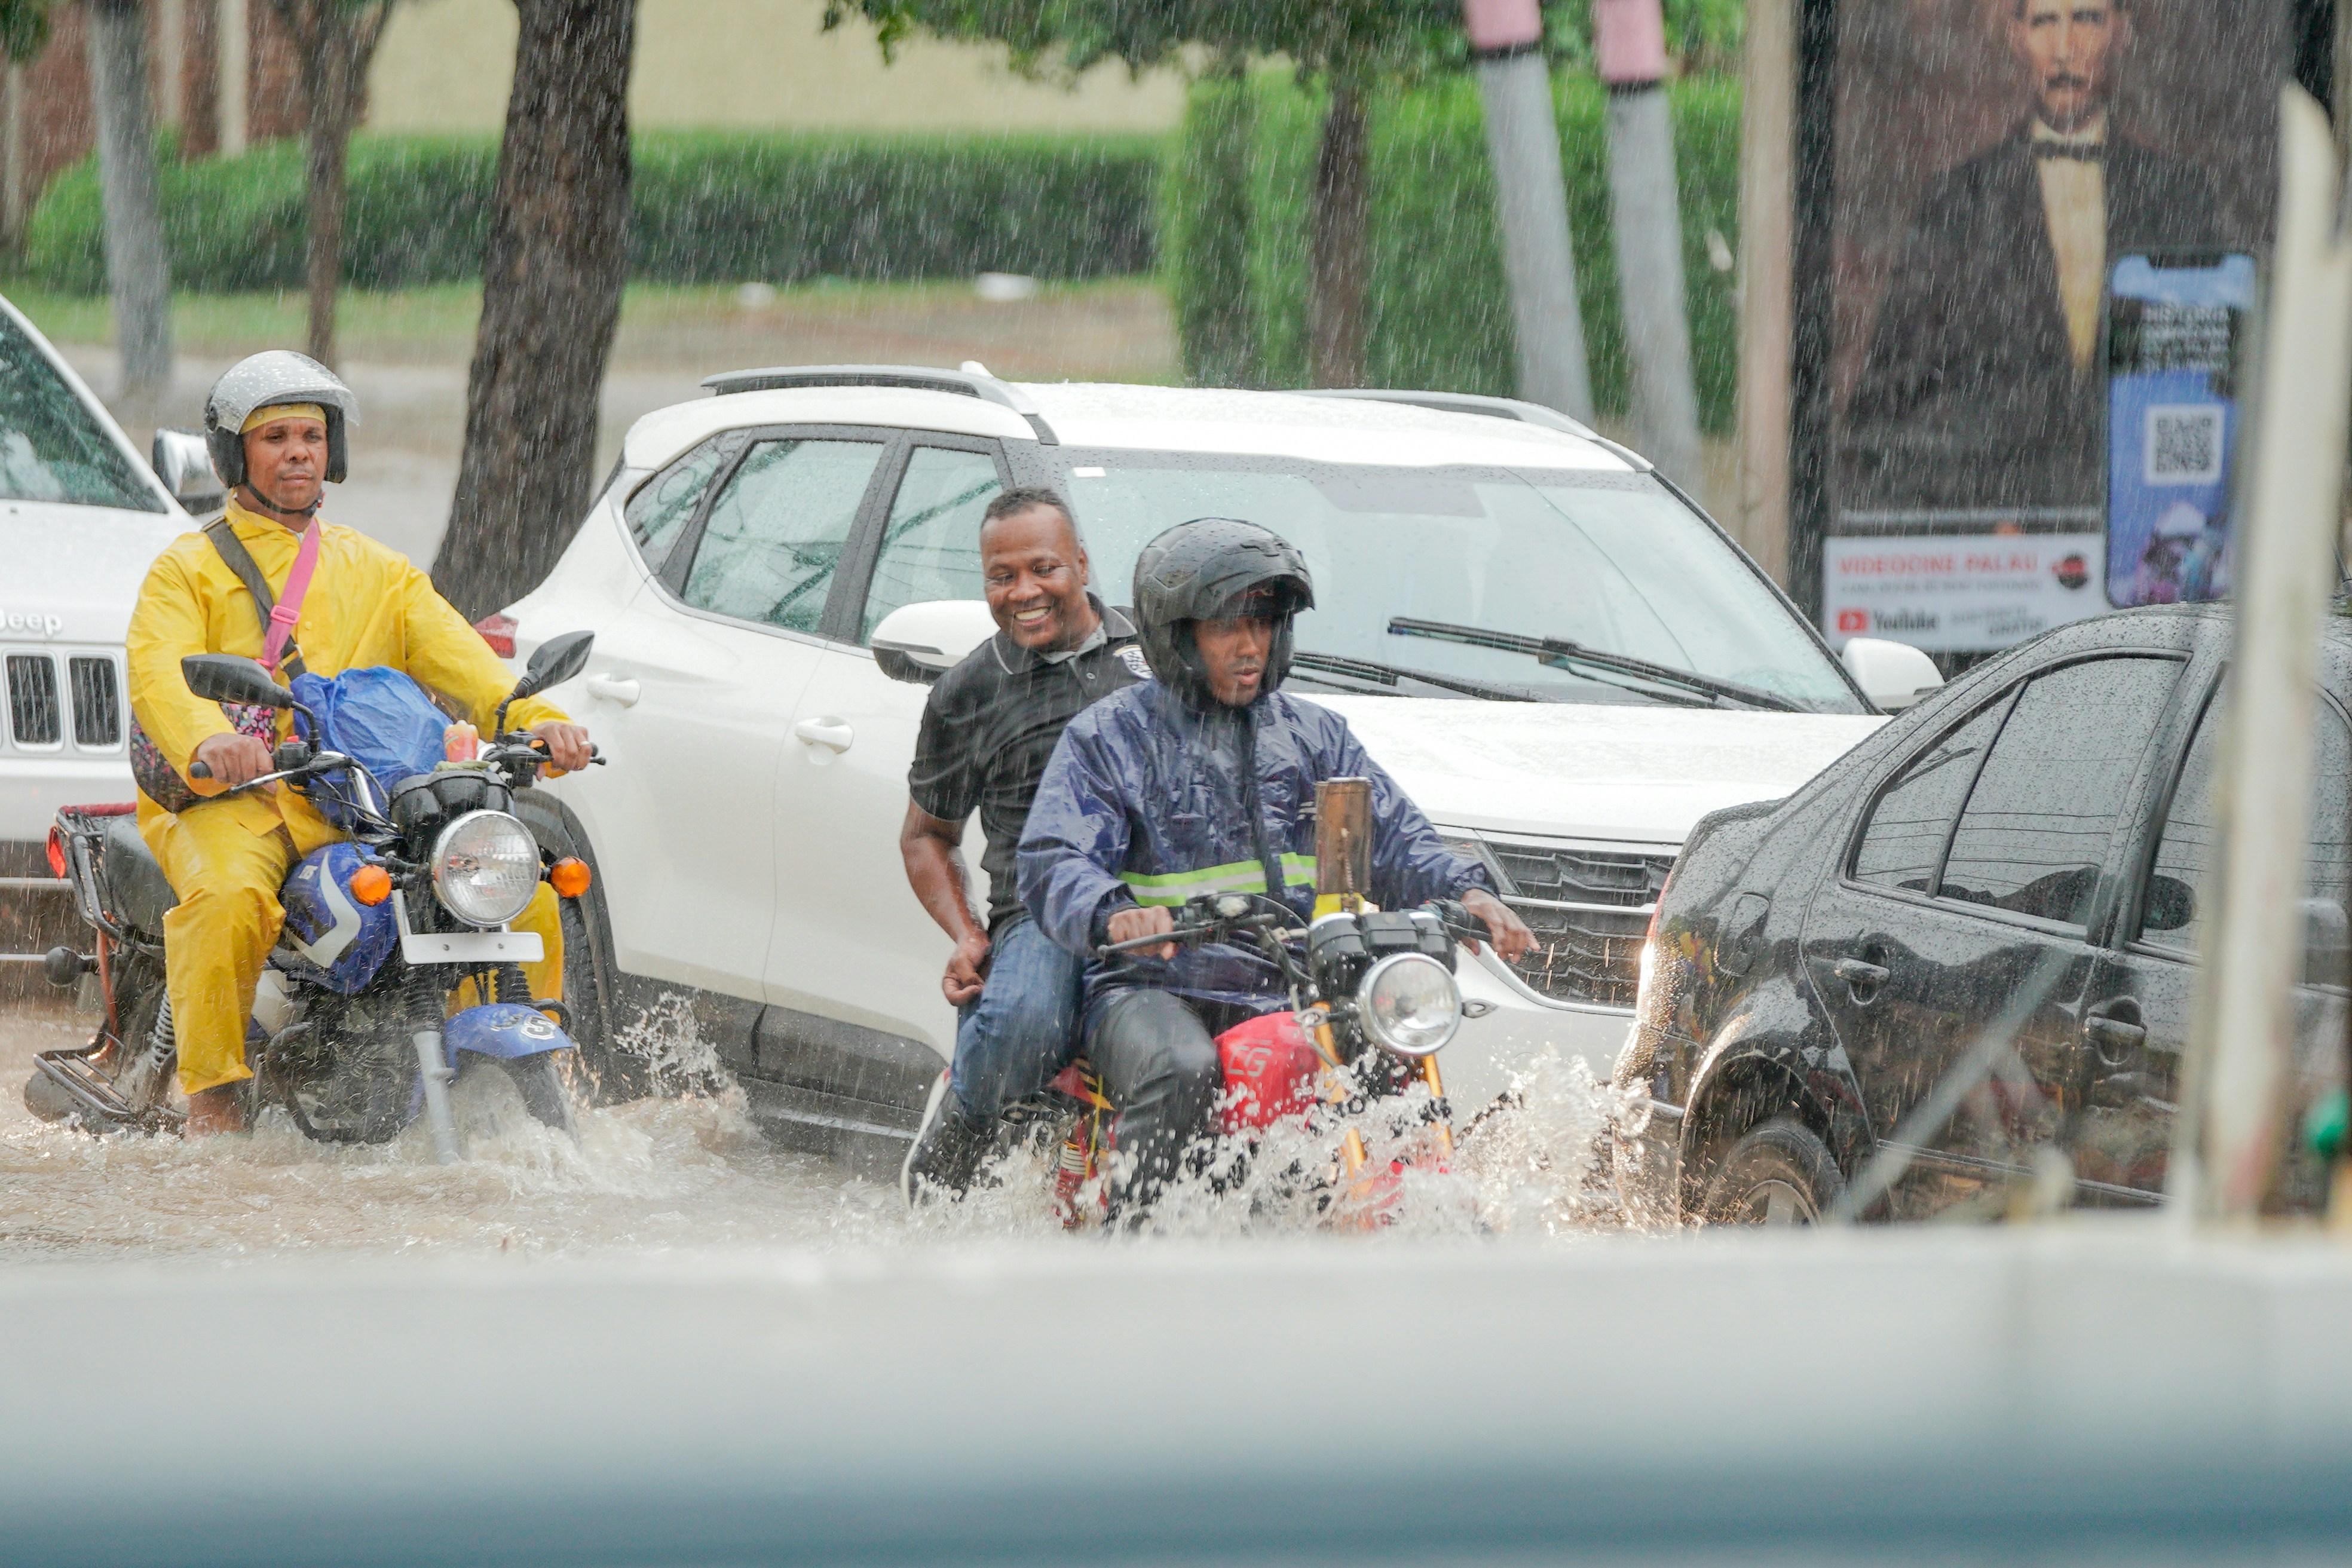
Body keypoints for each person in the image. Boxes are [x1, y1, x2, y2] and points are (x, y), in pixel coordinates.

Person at [124, 351, 593, 1135]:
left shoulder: (379, 570)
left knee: (526, 891)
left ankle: (541, 1078)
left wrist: (538, 720)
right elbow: (159, 679)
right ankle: (214, 1106)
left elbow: (473, 669)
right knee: (231, 901)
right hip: (241, 802)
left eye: (311, 434)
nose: (298, 451)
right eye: (275, 437)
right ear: (236, 454)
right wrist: (213, 741)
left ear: (332, 451)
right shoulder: (187, 571)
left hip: (363, 802)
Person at [1016, 517, 1535, 1220]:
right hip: (1153, 982)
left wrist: (1465, 889)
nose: (1251, 643)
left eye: (1265, 622)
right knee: (1182, 1070)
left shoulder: (1316, 735)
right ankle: (1133, 1263)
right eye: (1228, 624)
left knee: (1392, 1052)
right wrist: (1114, 910)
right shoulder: (1110, 738)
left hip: (1289, 981)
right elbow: (1054, 856)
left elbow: (1398, 836)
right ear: (1177, 633)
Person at [1843, 0, 2221, 510]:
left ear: (2121, 33)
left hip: (2146, 535)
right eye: (2046, 22)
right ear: (2017, 36)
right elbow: (1885, 417)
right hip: (2002, 546)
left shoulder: (2178, 195)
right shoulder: (1958, 201)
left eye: (2087, 19)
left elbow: (2216, 387)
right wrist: (1981, 521)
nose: (2065, 49)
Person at [898, 488, 1148, 1200]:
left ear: (1082, 562)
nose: (1024, 592)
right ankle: (958, 1132)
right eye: (1001, 577)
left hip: (1164, 898)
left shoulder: (1159, 657)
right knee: (1026, 1022)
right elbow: (925, 836)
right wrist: (965, 931)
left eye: (1044, 568)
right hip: (1045, 911)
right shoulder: (968, 691)